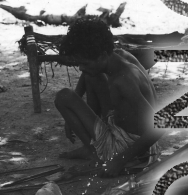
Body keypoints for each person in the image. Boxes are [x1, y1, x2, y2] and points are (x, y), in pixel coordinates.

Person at [54, 17, 158, 176]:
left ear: (102, 55)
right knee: (92, 75)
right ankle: (94, 148)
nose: (81, 68)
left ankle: (96, 156)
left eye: (85, 63)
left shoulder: (123, 81)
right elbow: (88, 73)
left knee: (63, 97)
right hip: (126, 134)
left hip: (128, 150)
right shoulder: (119, 57)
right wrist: (73, 117)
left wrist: (119, 161)